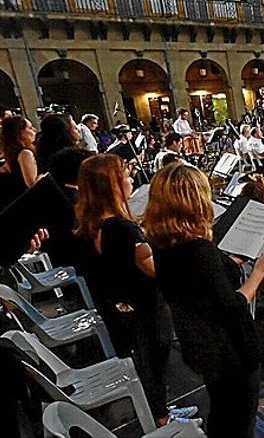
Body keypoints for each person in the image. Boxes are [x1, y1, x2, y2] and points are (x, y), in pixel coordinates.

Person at [145, 163, 264, 437]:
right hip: (229, 351)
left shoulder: (160, 241)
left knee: (221, 411)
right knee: (239, 422)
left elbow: (197, 284)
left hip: (198, 342)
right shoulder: (199, 249)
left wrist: (228, 263)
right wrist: (259, 274)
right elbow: (231, 305)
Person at [75, 155, 195, 427]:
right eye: (126, 177)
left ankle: (159, 408)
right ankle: (162, 419)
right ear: (113, 186)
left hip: (122, 310)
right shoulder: (123, 229)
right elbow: (155, 269)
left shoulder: (91, 224)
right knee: (154, 364)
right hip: (147, 310)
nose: (131, 181)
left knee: (146, 364)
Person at [1, 116, 38, 192]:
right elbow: (32, 184)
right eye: (30, 128)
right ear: (20, 133)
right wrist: (44, 175)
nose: (34, 130)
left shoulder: (10, 153)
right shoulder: (25, 153)